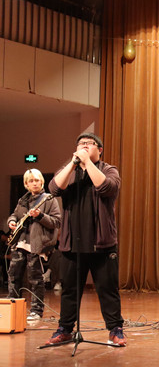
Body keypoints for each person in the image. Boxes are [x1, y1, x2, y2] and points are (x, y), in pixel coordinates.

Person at [45, 132, 126, 347]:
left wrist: (88, 162)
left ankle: (115, 329)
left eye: (89, 144)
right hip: (72, 244)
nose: (84, 146)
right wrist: (73, 164)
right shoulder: (69, 171)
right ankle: (65, 329)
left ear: (100, 150)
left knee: (108, 289)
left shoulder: (109, 170)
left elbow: (106, 187)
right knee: (70, 290)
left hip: (102, 243)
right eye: (80, 144)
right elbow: (53, 188)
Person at [6, 169, 61, 321]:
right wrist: (11, 221)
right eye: (31, 181)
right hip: (20, 242)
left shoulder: (49, 199)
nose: (34, 183)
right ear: (26, 184)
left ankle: (36, 310)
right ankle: (13, 307)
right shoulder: (22, 200)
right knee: (13, 276)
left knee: (35, 278)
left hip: (37, 244)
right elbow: (15, 215)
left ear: (42, 181)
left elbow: (56, 222)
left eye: (37, 180)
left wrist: (40, 215)